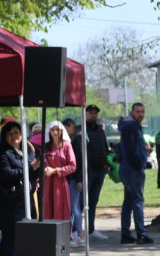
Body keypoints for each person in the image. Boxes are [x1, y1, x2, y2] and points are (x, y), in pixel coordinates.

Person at [0, 119, 40, 256]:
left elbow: (32, 173)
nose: (14, 136)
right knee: (9, 239)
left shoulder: (28, 151)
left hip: (27, 201)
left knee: (26, 238)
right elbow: (5, 174)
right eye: (10, 134)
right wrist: (29, 168)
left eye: (16, 133)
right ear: (5, 137)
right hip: (10, 203)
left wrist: (38, 169)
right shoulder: (3, 153)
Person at [119, 102, 154, 242]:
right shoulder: (130, 127)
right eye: (138, 111)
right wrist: (140, 163)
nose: (141, 114)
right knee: (138, 201)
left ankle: (125, 234)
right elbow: (130, 149)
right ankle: (141, 234)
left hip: (129, 168)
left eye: (142, 111)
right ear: (132, 113)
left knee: (128, 202)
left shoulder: (132, 126)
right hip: (133, 169)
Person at [38, 120, 75, 229]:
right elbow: (40, 163)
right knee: (48, 208)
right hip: (48, 182)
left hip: (61, 183)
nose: (55, 132)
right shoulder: (45, 147)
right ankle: (49, 235)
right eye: (52, 130)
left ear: (62, 131)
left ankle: (63, 236)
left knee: (61, 208)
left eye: (57, 129)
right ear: (49, 132)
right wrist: (44, 169)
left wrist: (55, 170)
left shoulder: (67, 146)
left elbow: (73, 166)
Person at [83, 105, 110, 240]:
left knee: (93, 201)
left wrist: (106, 162)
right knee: (82, 202)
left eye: (95, 113)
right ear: (85, 114)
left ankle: (90, 229)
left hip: (100, 170)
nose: (94, 115)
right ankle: (77, 231)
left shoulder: (100, 130)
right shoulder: (82, 129)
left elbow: (104, 146)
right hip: (88, 171)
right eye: (91, 113)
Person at [61, 118, 85, 246]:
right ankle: (77, 233)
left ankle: (78, 233)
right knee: (74, 207)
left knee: (74, 207)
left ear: (70, 126)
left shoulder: (76, 140)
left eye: (65, 128)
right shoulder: (76, 139)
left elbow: (78, 162)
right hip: (76, 178)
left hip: (75, 178)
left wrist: (78, 179)